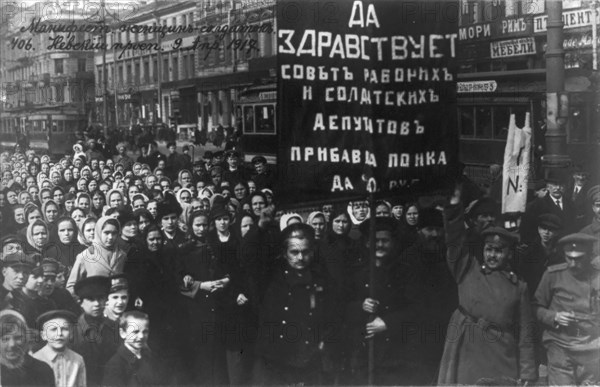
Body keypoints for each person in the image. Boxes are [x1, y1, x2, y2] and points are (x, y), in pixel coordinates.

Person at [437, 187, 537, 385]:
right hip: (465, 347)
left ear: (509, 254)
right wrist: (454, 209)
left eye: (499, 251)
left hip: (499, 354)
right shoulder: (467, 268)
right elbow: (455, 240)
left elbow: (525, 332)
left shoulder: (519, 286)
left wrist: (528, 372)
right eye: (488, 249)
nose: (492, 255)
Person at [255, 223, 337, 385]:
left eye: (305, 252)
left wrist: (323, 341)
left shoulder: (321, 280)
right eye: (294, 252)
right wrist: (260, 227)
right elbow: (250, 259)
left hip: (310, 357)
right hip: (278, 358)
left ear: (312, 253)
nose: (300, 257)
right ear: (285, 254)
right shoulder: (272, 279)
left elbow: (332, 316)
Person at [534, 233, 600, 386]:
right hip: (560, 345)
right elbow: (535, 307)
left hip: (592, 348)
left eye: (578, 259)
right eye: (568, 257)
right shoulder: (553, 275)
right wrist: (554, 317)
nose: (572, 264)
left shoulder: (598, 277)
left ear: (589, 256)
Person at [71, 275, 119, 386]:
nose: (97, 304)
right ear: (81, 302)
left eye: (101, 298)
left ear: (106, 300)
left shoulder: (115, 327)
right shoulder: (72, 331)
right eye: (91, 299)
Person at [102, 311, 166, 385]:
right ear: (123, 333)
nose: (141, 336)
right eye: (135, 332)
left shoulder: (149, 356)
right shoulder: (115, 365)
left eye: (145, 332)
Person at [66, 216, 127, 294]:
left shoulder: (122, 255)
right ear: (98, 232)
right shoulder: (85, 256)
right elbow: (71, 287)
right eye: (106, 233)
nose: (110, 237)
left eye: (114, 233)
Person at [0, 310, 55, 386]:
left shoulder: (42, 370)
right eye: (5, 339)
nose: (12, 344)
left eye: (18, 338)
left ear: (26, 339)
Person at [33, 310, 87, 387]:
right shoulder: (36, 359)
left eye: (64, 329)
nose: (59, 334)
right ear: (43, 335)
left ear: (71, 334)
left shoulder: (77, 360)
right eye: (53, 329)